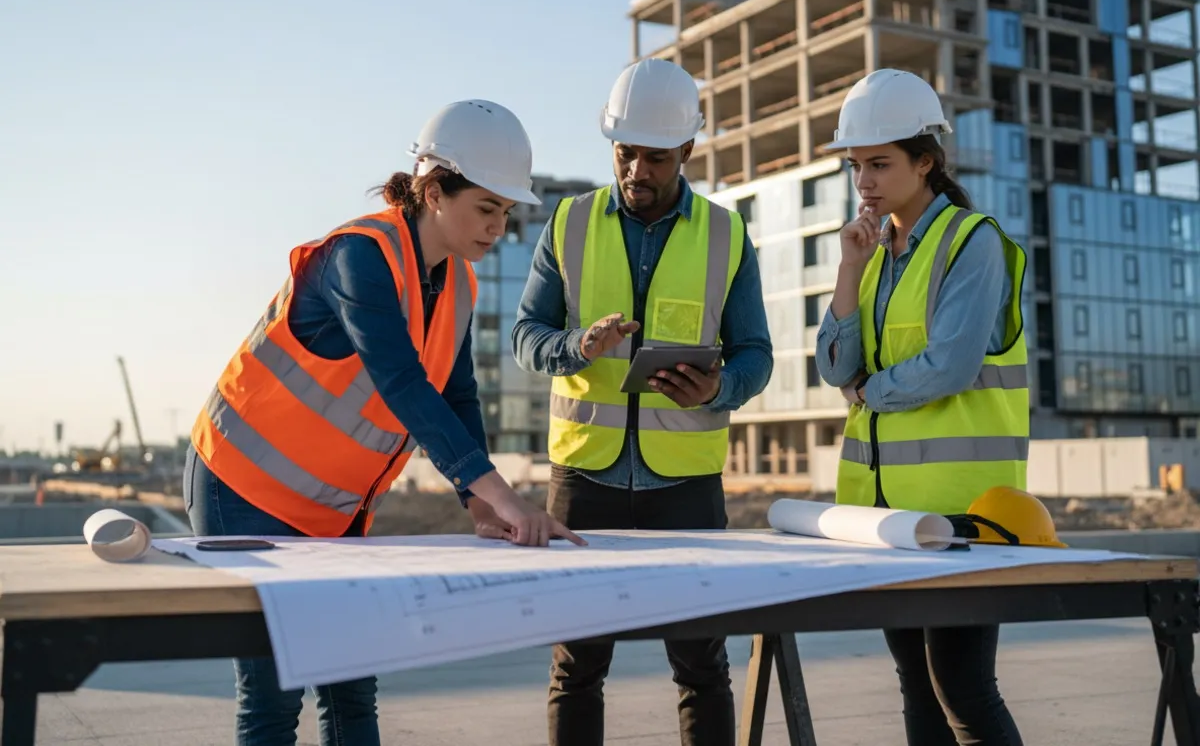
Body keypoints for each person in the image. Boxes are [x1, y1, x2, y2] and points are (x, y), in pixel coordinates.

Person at [184, 98, 584, 746]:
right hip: (243, 488)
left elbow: (457, 399)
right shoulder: (359, 257)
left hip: (335, 508)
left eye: (506, 213)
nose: (497, 227)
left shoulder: (459, 284)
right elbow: (402, 383)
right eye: (486, 207)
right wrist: (506, 498)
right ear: (433, 190)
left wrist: (474, 504)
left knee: (351, 690)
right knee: (273, 698)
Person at [512, 58, 774, 746]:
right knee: (576, 668)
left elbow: (756, 353)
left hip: (685, 487)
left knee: (702, 668)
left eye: (654, 157)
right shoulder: (568, 224)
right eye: (624, 153)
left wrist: (721, 386)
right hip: (583, 482)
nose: (635, 171)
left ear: (687, 151)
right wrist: (576, 347)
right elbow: (525, 337)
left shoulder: (726, 234)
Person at [814, 68, 1029, 746]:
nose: (865, 181)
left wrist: (869, 393)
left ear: (925, 161)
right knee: (916, 686)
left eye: (880, 163)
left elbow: (953, 363)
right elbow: (833, 366)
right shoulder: (874, 252)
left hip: (962, 512)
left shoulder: (974, 241)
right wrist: (848, 269)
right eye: (857, 166)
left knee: (964, 689)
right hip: (886, 511)